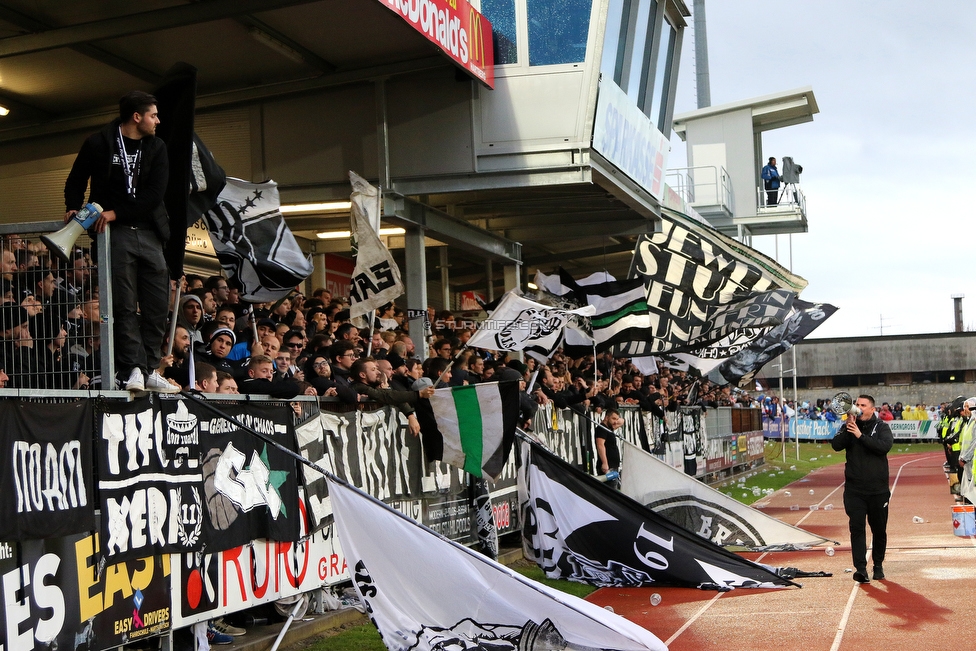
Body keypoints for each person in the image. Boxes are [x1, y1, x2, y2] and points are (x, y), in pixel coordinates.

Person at [63, 90, 175, 393]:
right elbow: (75, 179)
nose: (158, 121)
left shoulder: (157, 147)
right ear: (136, 117)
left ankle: (149, 367)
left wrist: (116, 211)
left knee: (155, 306)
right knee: (124, 305)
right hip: (114, 233)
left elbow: (154, 195)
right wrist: (73, 205)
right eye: (153, 115)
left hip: (150, 232)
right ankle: (132, 369)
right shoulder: (99, 142)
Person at [830, 394, 893, 583]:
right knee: (857, 529)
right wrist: (849, 428)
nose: (858, 407)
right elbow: (835, 446)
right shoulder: (849, 426)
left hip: (877, 490)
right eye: (856, 404)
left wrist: (860, 435)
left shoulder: (881, 427)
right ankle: (861, 569)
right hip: (854, 490)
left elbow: (883, 447)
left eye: (862, 405)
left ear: (872, 409)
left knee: (879, 530)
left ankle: (878, 565)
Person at [595, 408, 624, 489]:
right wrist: (605, 463)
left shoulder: (609, 427)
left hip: (613, 466)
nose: (615, 421)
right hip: (608, 466)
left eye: (616, 419)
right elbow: (600, 445)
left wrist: (615, 421)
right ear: (607, 417)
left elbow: (622, 421)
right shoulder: (601, 428)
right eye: (613, 419)